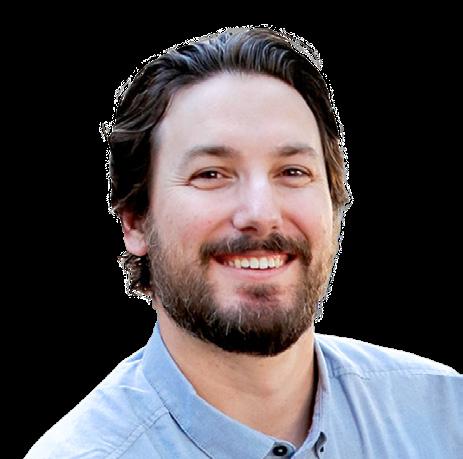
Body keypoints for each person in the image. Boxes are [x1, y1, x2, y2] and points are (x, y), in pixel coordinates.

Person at [25, 26, 462, 459]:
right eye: (211, 174)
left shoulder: (447, 418)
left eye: (292, 172)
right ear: (135, 221)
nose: (260, 213)